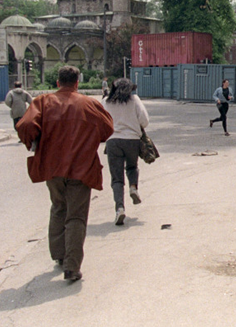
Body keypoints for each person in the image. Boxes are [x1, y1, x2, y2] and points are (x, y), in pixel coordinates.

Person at [17, 66, 113, 282]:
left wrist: (33, 141)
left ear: (58, 83)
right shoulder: (89, 104)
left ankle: (59, 256)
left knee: (58, 207)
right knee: (76, 216)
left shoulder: (42, 102)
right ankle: (72, 266)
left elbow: (25, 125)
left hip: (52, 166)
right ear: (77, 83)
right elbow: (107, 129)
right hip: (81, 167)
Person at [103, 78, 150, 225]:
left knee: (116, 178)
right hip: (132, 140)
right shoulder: (134, 100)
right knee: (132, 167)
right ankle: (133, 187)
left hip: (113, 141)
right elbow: (145, 121)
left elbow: (100, 121)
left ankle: (120, 209)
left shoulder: (106, 102)